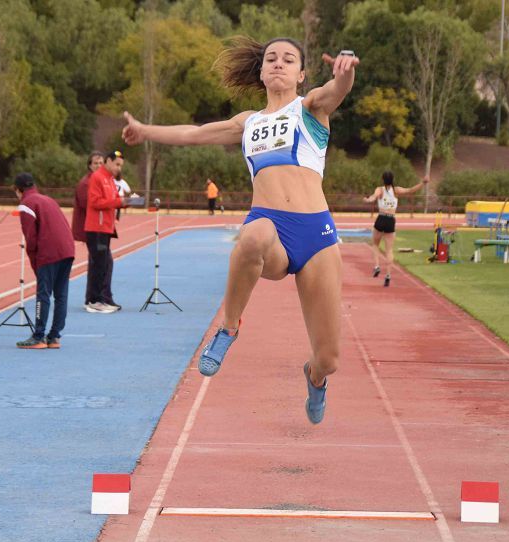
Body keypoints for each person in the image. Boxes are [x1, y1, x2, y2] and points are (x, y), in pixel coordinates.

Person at [122, 37, 360, 424]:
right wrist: (145, 131)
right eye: (271, 59)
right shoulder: (248, 122)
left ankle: (315, 378)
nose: (278, 64)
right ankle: (228, 328)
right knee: (251, 236)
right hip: (271, 226)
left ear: (301, 74)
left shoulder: (310, 108)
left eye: (288, 60)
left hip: (316, 233)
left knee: (330, 358)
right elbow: (194, 133)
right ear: (262, 73)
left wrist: (345, 73)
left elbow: (337, 91)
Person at [13, 173, 75, 349]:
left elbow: (30, 239)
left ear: (18, 190)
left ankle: (39, 336)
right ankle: (54, 337)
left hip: (49, 252)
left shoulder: (26, 205)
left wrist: (35, 264)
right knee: (61, 294)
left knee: (43, 293)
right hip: (67, 249)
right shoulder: (47, 199)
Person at [362, 171, 428, 287]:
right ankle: (388, 275)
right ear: (392, 179)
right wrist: (423, 183)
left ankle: (377, 266)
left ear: (383, 179)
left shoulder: (380, 189)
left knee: (375, 245)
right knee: (389, 250)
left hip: (381, 218)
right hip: (391, 220)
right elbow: (410, 190)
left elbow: (373, 197)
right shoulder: (396, 190)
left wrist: (367, 199)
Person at [84, 150, 128, 313]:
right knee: (99, 264)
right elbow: (95, 202)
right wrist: (118, 201)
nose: (118, 168)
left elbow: (115, 200)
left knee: (103, 264)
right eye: (116, 164)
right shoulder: (97, 177)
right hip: (96, 228)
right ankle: (94, 300)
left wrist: (126, 202)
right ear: (108, 161)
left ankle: (101, 298)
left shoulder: (109, 179)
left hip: (106, 228)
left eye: (120, 166)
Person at [72, 152, 103, 249]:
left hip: (101, 228)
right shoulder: (85, 183)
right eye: (96, 163)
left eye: (101, 163)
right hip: (92, 229)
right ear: (90, 165)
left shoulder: (101, 180)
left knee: (103, 259)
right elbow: (88, 205)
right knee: (100, 259)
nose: (99, 166)